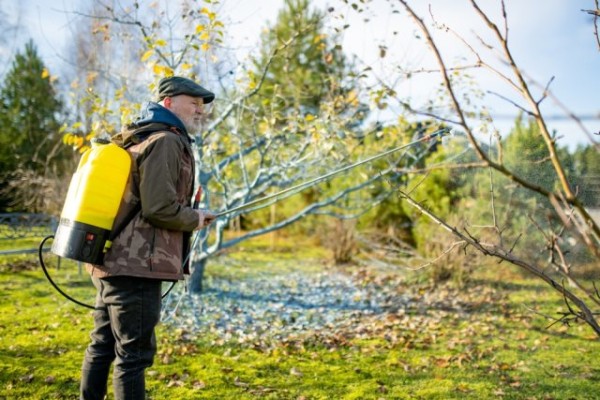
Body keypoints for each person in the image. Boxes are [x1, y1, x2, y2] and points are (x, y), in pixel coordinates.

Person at [80, 76, 217, 400]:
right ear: (168, 103)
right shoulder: (166, 141)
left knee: (103, 344)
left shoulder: (140, 137)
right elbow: (158, 208)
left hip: (115, 260)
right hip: (138, 265)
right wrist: (195, 218)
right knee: (133, 356)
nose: (199, 110)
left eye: (202, 105)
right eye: (193, 103)